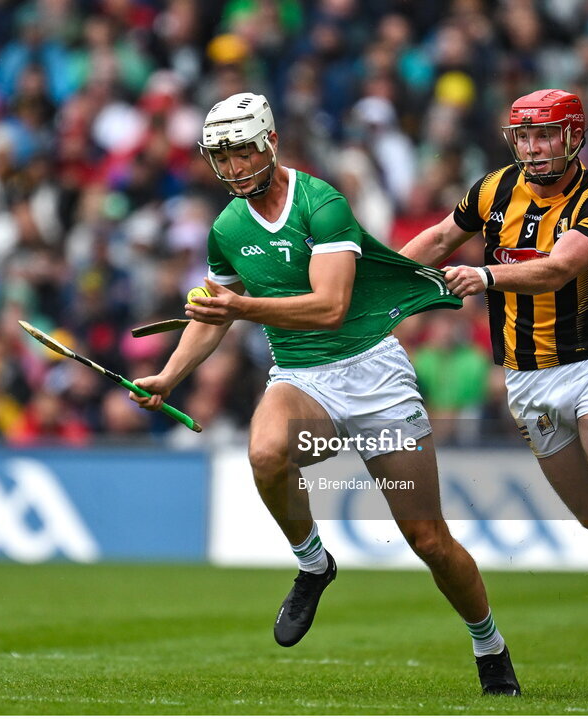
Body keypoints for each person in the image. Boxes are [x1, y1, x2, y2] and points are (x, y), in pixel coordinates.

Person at [129, 92, 521, 695]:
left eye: (240, 153)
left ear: (270, 142)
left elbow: (331, 307)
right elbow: (212, 315)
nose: (231, 168)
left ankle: (488, 644)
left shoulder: (322, 203)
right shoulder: (227, 229)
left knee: (430, 541)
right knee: (264, 453)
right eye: (220, 157)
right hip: (303, 380)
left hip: (376, 379)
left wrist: (241, 307)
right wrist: (168, 377)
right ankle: (313, 563)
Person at [400, 89, 588, 668]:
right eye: (524, 137)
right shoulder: (492, 189)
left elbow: (560, 268)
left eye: (545, 136)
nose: (533, 148)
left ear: (573, 137)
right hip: (529, 379)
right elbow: (436, 240)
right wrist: (378, 279)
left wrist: (484, 275)